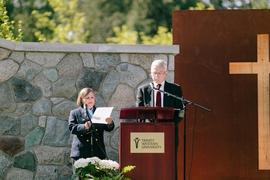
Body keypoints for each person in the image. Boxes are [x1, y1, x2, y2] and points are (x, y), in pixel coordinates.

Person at [68, 87, 114, 161]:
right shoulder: (75, 112)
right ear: (82, 99)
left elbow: (109, 128)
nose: (90, 99)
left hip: (97, 152)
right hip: (81, 152)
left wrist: (110, 123)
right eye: (87, 98)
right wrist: (84, 126)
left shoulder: (101, 112)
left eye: (92, 97)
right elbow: (72, 127)